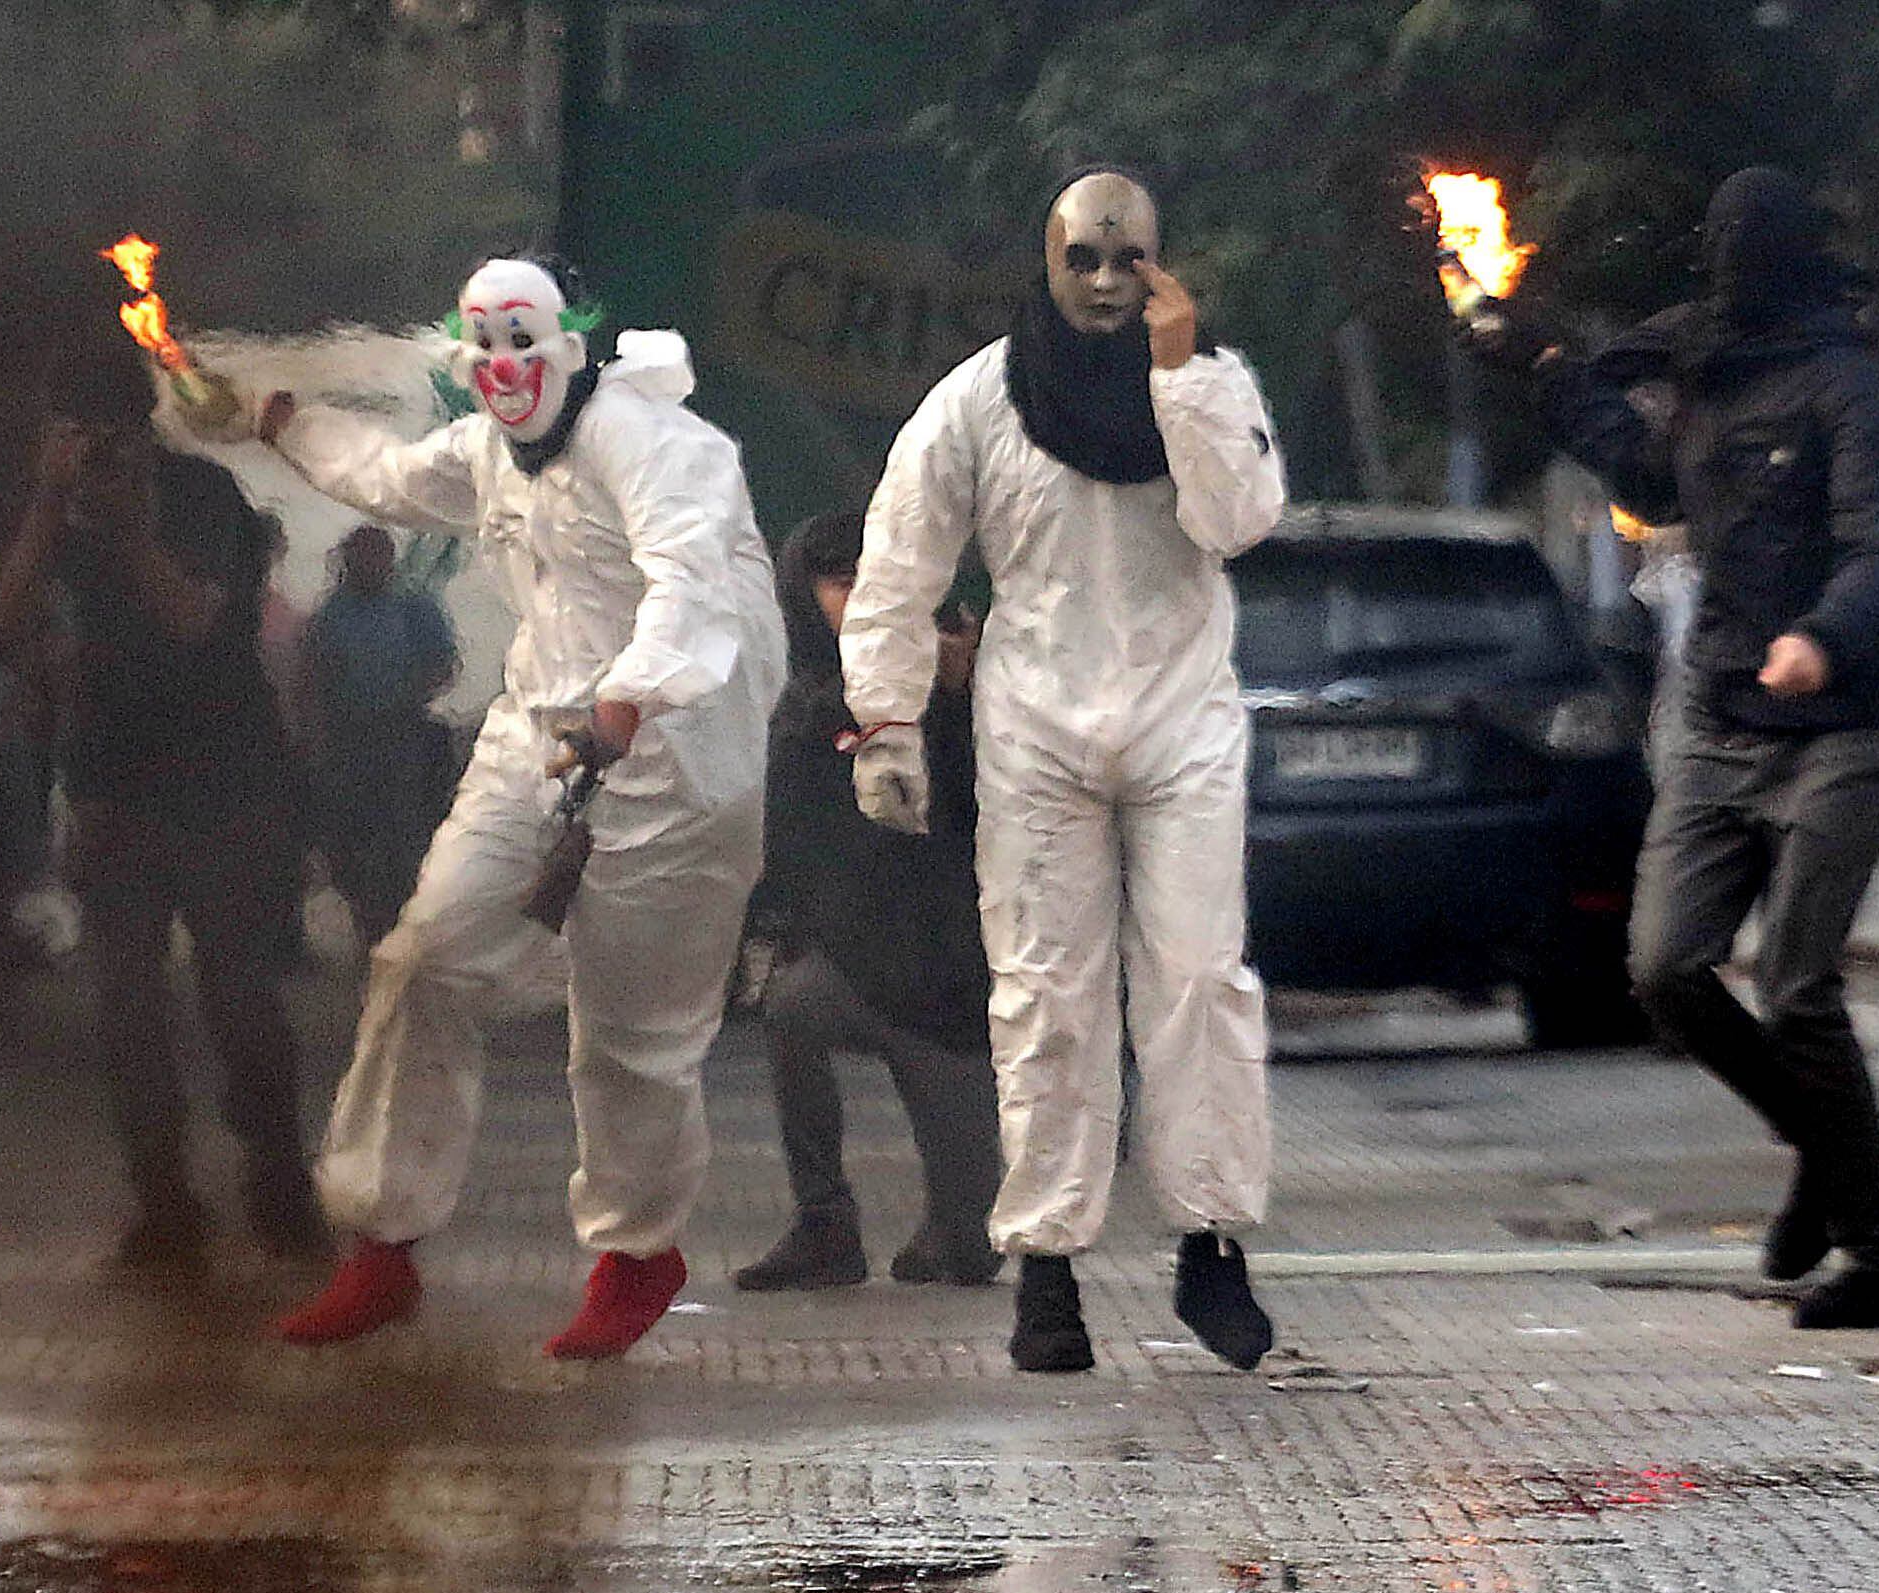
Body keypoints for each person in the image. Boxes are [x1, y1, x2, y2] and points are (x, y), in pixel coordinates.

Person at [255, 254, 786, 1360]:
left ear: (571, 341)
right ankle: (382, 1245)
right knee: (423, 959)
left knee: (634, 1037)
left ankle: (639, 1255)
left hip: (679, 773)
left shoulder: (661, 447)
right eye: (483, 344)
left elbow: (691, 588)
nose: (503, 365)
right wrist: (281, 421)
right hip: (536, 746)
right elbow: (391, 476)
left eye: (522, 339)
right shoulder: (489, 453)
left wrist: (628, 703)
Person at [1473, 167, 1879, 1330]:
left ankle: (1877, 1255)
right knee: (1666, 969)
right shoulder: (1707, 369)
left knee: (1797, 984)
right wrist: (1548, 373)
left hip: (1835, 722)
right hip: (1720, 709)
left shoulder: (1859, 392)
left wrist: (1827, 639)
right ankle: (1822, 1142)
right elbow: (1647, 474)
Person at [842, 168, 1287, 1375]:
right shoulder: (978, 402)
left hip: (1182, 722)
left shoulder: (1206, 382)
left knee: (1199, 981)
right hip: (1036, 728)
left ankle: (1210, 1244)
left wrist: (1183, 376)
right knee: (1046, 995)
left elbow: (1241, 521)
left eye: (1126, 259)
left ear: (1161, 263)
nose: (1102, 282)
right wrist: (883, 720)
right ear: (1045, 266)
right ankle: (1046, 1269)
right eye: (1080, 258)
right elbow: (899, 560)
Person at [0, 334, 325, 1274]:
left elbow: (193, 621)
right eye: (73, 437)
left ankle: (279, 1181)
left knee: (239, 998)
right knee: (126, 1009)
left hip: (221, 775)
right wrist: (50, 508)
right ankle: (164, 1200)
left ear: (138, 433)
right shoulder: (57, 515)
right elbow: (1, 619)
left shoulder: (202, 499)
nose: (95, 455)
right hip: (116, 784)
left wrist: (133, 529)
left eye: (104, 437)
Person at [738, 512, 1001, 1292]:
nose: (851, 597)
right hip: (855, 962)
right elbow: (788, 824)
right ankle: (823, 1222)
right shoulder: (806, 699)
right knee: (790, 1007)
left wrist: (955, 699)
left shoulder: (952, 671)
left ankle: (940, 1224)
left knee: (966, 1253)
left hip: (947, 976)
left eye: (865, 577)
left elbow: (981, 808)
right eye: (834, 581)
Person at [304, 526, 461, 946]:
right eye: (355, 558)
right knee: (350, 839)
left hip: (402, 734)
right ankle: (367, 926)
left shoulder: (414, 607)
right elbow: (317, 675)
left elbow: (444, 666)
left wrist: (406, 694)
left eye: (373, 557)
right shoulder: (333, 613)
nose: (364, 566)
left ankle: (403, 927)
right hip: (348, 737)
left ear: (387, 560)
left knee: (403, 836)